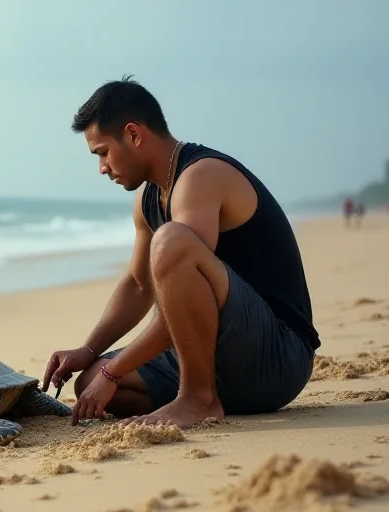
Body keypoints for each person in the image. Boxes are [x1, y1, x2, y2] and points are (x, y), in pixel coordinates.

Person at [42, 77, 320, 428]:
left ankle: (197, 398)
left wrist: (114, 371)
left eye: (102, 152)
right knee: (89, 383)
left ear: (133, 134)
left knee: (171, 241)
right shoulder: (147, 201)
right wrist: (89, 352)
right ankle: (203, 396)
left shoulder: (200, 177)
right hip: (222, 362)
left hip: (277, 357)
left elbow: (178, 307)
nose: (101, 167)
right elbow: (139, 286)